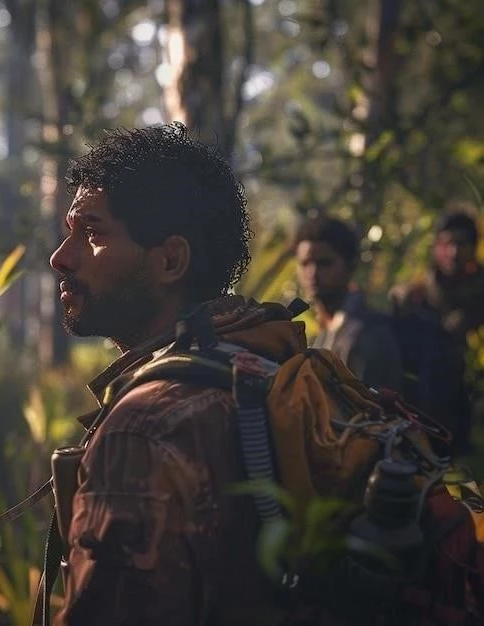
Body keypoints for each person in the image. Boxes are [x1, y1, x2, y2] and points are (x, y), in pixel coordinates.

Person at [48, 123, 297, 626]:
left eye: (93, 234)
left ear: (170, 260)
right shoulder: (263, 366)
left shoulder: (144, 428)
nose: (61, 258)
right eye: (68, 232)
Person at [390, 210, 483, 452]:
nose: (453, 253)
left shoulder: (478, 291)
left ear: (473, 248)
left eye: (461, 244)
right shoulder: (420, 291)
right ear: (437, 247)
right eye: (448, 244)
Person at [294, 216, 403, 391]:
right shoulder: (321, 334)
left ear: (350, 265)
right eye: (305, 263)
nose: (312, 273)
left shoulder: (368, 335)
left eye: (325, 263)